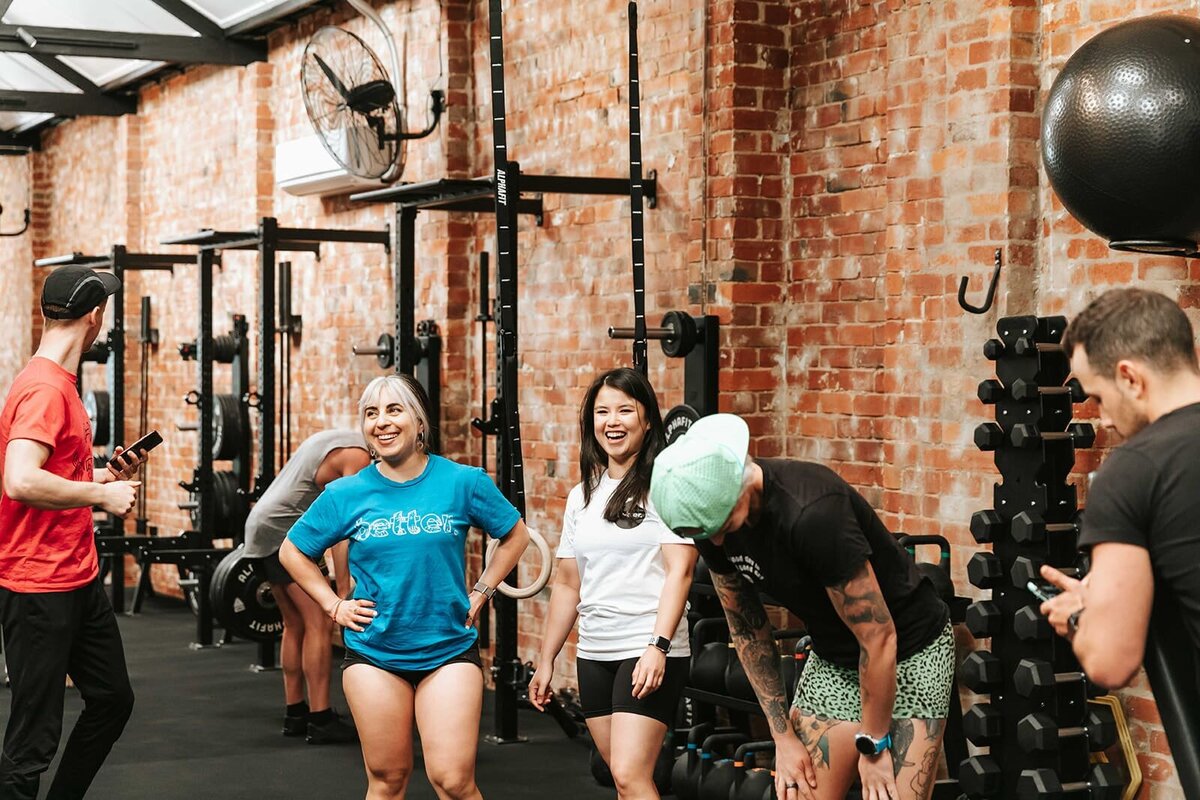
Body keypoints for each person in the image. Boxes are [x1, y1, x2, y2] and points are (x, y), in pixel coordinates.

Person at [649, 414, 952, 800]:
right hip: (834, 658)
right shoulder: (706, 518)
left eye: (724, 525)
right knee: (798, 791)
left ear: (739, 485)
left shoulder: (813, 513)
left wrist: (874, 745)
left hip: (911, 650)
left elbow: (879, 638)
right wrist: (782, 736)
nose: (719, 542)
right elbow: (746, 628)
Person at [279, 374, 531, 800]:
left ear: (418, 421)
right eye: (371, 413)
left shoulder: (462, 481)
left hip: (447, 649)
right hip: (375, 653)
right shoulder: (345, 493)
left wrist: (483, 591)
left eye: (394, 410)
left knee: (453, 781)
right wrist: (333, 605)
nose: (381, 422)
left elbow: (515, 535)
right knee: (388, 780)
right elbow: (292, 550)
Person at [0, 265, 145, 800]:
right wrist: (101, 497)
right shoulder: (44, 389)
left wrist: (99, 476)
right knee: (33, 738)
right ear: (95, 316)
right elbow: (20, 480)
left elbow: (50, 470)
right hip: (38, 585)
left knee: (112, 700)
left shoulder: (57, 383)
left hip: (77, 578)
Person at [528, 368, 695, 800]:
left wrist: (658, 646)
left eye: (625, 410)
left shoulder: (666, 487)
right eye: (602, 412)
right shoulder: (581, 495)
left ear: (647, 420)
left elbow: (680, 571)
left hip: (646, 646)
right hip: (595, 651)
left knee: (629, 774)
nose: (612, 421)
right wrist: (546, 659)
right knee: (620, 780)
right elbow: (568, 584)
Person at [1040, 289, 1200, 712]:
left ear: (1130, 377)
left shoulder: (1134, 470)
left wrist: (1082, 615)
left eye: (1098, 397)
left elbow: (1110, 662)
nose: (1105, 418)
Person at [241, 428, 372, 744]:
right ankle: (321, 718)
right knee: (318, 624)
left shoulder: (336, 440)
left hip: (260, 527)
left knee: (295, 623)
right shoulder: (358, 456)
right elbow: (342, 529)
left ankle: (296, 713)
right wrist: (342, 592)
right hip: (283, 534)